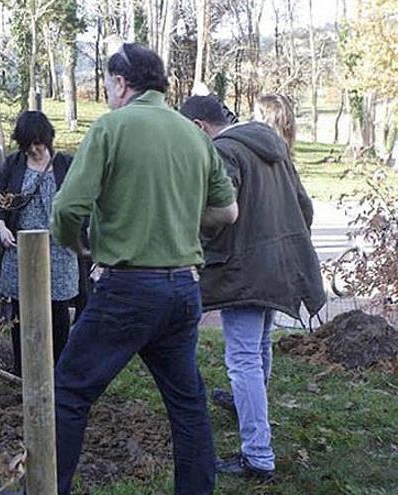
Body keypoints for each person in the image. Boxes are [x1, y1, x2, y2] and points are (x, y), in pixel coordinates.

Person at [29, 43, 238, 495]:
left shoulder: (112, 128)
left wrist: (76, 244)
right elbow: (228, 212)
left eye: (107, 84)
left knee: (70, 391)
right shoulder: (194, 135)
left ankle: (44, 489)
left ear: (121, 83)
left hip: (126, 291)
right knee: (188, 403)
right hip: (183, 290)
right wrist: (180, 218)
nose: (107, 93)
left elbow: (67, 208)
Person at [179, 94, 325, 481]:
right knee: (259, 346)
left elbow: (218, 213)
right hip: (279, 266)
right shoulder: (271, 145)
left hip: (245, 269)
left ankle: (258, 456)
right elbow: (305, 207)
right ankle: (247, 406)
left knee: (243, 359)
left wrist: (192, 239)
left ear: (198, 127)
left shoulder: (224, 151)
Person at [0, 111, 78, 377]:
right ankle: (23, 371)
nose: (34, 149)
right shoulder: (13, 164)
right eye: (28, 145)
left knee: (58, 311)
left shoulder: (66, 164)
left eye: (38, 143)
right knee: (22, 310)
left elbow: (81, 202)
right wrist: (1, 226)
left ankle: (59, 372)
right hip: (21, 248)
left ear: (47, 138)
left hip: (59, 250)